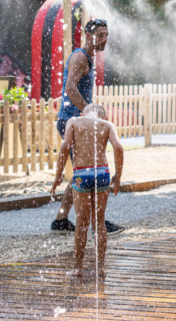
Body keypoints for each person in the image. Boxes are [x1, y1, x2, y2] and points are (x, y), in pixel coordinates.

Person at [50, 19, 124, 235]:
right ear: (88, 35)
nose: (104, 39)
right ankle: (97, 223)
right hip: (73, 122)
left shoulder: (86, 57)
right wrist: (89, 114)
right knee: (90, 169)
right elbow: (70, 88)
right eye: (100, 35)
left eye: (106, 34)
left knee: (83, 170)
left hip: (74, 120)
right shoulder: (81, 57)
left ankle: (61, 219)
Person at [50, 104, 124, 278]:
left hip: (81, 173)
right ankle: (101, 268)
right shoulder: (107, 125)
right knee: (99, 222)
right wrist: (117, 176)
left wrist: (58, 176)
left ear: (83, 113)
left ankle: (78, 268)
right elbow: (118, 147)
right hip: (102, 173)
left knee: (82, 223)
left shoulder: (74, 121)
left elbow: (65, 147)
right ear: (103, 116)